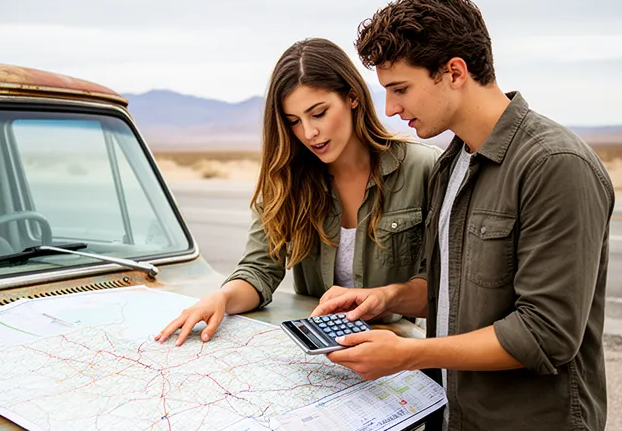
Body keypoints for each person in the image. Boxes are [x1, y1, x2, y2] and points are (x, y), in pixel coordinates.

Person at [312, 0, 614, 431]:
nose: (390, 108)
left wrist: (407, 354)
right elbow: (449, 284)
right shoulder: (450, 165)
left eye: (401, 88)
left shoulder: (555, 165)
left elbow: (545, 334)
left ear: (454, 71)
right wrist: (384, 299)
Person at [156, 38, 439, 346]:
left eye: (318, 113)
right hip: (319, 358)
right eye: (293, 121)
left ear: (353, 97)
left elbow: (441, 287)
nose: (309, 132)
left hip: (398, 354)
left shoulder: (423, 168)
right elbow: (259, 270)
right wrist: (221, 298)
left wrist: (384, 298)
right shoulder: (284, 180)